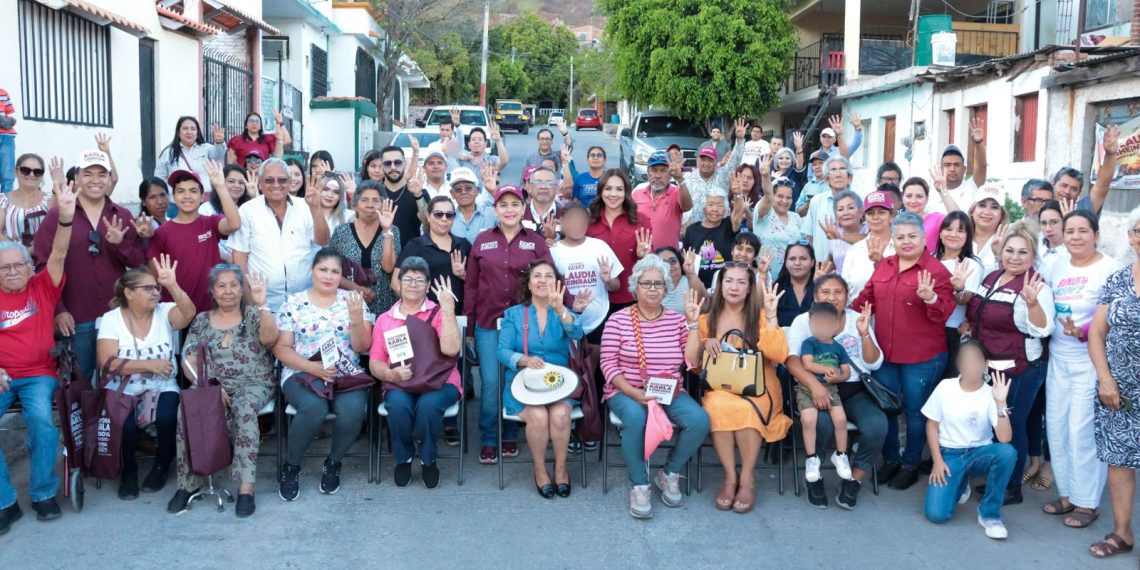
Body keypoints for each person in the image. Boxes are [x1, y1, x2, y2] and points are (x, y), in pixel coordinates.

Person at [851, 212, 954, 490]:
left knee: (915, 413)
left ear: (923, 238)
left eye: (912, 236)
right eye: (900, 237)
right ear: (892, 240)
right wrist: (837, 313)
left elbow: (944, 312)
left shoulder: (936, 271)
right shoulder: (884, 265)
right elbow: (865, 300)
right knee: (887, 409)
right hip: (885, 354)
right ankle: (891, 460)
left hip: (922, 356)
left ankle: (910, 464)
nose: (906, 242)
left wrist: (930, 298)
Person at [600, 255, 709, 519]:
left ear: (666, 288)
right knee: (636, 418)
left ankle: (668, 473)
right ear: (635, 286)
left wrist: (693, 325)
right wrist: (634, 393)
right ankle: (639, 484)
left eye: (658, 284)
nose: (652, 288)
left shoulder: (676, 320)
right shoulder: (618, 320)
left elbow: (692, 361)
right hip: (627, 390)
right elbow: (607, 364)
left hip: (668, 390)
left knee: (699, 420)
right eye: (646, 283)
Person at [167, 266, 278, 517]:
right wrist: (211, 389)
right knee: (186, 411)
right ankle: (187, 486)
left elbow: (270, 339)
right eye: (221, 286)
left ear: (242, 289)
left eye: (234, 285)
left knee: (245, 410)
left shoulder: (253, 314)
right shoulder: (202, 321)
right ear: (212, 292)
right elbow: (188, 361)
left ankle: (246, 489)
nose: (228, 291)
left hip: (254, 383)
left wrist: (263, 305)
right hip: (211, 383)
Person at [0, 168, 73, 532]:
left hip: (38, 375)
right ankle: (5, 501)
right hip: (1, 377)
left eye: (19, 265)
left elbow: (58, 254)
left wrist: (65, 216)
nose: (13, 271)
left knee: (43, 424)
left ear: (30, 268)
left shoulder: (42, 288)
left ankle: (43, 493)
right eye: (5, 268)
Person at [1040, 210, 1122, 528]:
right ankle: (1068, 494)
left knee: (1082, 432)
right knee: (1058, 429)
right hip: (1059, 360)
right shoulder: (1057, 267)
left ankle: (1087, 502)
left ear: (1096, 235)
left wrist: (1085, 333)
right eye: (1069, 230)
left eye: (1082, 231)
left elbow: (1119, 323)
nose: (1075, 236)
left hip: (1091, 362)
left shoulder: (1110, 270)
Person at [34, 150, 144, 382]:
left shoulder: (122, 214)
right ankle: (82, 419)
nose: (95, 180)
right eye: (88, 173)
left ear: (109, 179)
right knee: (78, 381)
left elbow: (137, 263)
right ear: (77, 177)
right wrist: (59, 309)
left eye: (102, 174)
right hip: (75, 314)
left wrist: (120, 244)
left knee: (116, 380)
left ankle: (110, 419)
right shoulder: (58, 215)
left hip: (115, 314)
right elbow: (43, 265)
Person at [274, 249, 374, 501]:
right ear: (312, 271)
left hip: (345, 372)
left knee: (352, 411)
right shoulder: (293, 303)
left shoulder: (353, 300)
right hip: (302, 371)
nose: (328, 276)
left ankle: (333, 463)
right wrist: (313, 368)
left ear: (342, 276)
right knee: (313, 407)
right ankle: (292, 466)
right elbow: (282, 349)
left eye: (335, 272)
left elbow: (363, 347)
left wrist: (356, 320)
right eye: (323, 270)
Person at [965, 224, 1053, 505]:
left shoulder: (1036, 286)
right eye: (1010, 251)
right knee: (997, 423)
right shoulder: (992, 277)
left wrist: (1032, 304)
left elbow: (1042, 329)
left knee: (1012, 423)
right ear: (1000, 253)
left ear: (1033, 255)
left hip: (1020, 368)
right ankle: (999, 478)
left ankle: (1011, 487)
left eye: (1023, 252)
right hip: (992, 365)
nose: (1015, 257)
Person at [465, 185, 554, 464]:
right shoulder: (481, 241)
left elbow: (550, 276)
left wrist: (569, 303)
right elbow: (470, 285)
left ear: (523, 208)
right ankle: (490, 437)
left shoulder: (535, 241)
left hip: (523, 322)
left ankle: (511, 434)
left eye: (515, 204)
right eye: (503, 205)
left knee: (516, 377)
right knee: (491, 382)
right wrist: (469, 326)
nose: (509, 209)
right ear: (495, 210)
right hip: (488, 322)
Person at [97, 257, 197, 499]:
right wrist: (149, 365)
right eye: (148, 288)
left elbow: (189, 313)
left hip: (162, 385)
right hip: (122, 388)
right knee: (125, 426)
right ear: (129, 293)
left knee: (166, 419)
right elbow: (107, 363)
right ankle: (128, 472)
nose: (155, 293)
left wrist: (172, 285)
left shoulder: (164, 312)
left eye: (156, 288)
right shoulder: (112, 319)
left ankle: (162, 465)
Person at [786, 274, 885, 509]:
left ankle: (854, 479)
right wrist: (816, 385)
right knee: (822, 423)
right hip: (816, 387)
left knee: (877, 425)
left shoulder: (857, 319)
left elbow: (874, 363)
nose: (832, 297)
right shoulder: (804, 321)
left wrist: (864, 333)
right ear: (815, 296)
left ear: (847, 297)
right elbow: (792, 361)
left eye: (838, 292)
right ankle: (815, 476)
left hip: (852, 389)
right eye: (825, 292)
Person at [696, 268, 790, 513]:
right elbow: (695, 366)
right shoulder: (708, 319)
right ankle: (729, 477)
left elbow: (779, 356)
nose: (734, 287)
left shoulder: (759, 316)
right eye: (728, 281)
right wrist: (706, 343)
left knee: (747, 412)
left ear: (750, 288)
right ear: (720, 286)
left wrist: (771, 317)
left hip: (759, 385)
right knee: (717, 406)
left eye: (740, 282)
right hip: (722, 386)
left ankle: (747, 477)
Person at [370, 257, 461, 489]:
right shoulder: (384, 320)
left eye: (419, 280)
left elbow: (451, 349)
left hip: (440, 381)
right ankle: (405, 457)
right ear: (398, 284)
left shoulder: (439, 312)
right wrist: (391, 375)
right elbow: (376, 362)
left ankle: (428, 458)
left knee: (428, 407)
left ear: (428, 286)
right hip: (400, 381)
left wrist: (448, 309)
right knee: (398, 406)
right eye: (407, 279)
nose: (412, 284)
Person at [497, 261, 584, 498]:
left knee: (559, 414)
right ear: (529, 282)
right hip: (523, 382)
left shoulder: (562, 311)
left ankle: (561, 467)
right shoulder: (514, 314)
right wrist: (523, 359)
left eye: (548, 276)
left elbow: (578, 333)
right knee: (537, 416)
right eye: (537, 276)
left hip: (560, 383)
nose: (542, 280)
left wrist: (561, 310)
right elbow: (502, 351)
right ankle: (539, 469)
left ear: (556, 283)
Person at [923, 341, 1016, 540]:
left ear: (986, 364)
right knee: (937, 515)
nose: (971, 365)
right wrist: (937, 461)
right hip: (950, 454)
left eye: (976, 360)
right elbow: (932, 425)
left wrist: (1001, 403)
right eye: (965, 360)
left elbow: (1005, 438)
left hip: (979, 453)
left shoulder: (991, 393)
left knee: (1007, 453)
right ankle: (960, 481)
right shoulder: (945, 387)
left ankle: (989, 515)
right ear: (959, 364)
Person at [1088, 207, 1140, 558]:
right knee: (1119, 461)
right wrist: (1106, 380)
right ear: (1131, 236)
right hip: (1119, 391)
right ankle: (1122, 534)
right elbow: (1097, 332)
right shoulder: (1119, 280)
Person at [229, 158, 329, 311]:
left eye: (282, 180)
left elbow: (323, 240)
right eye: (269, 180)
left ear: (289, 182)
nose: (276, 185)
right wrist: (250, 302)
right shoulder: (247, 211)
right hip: (264, 304)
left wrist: (316, 208)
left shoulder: (305, 206)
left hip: (303, 302)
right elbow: (239, 258)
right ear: (260, 184)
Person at [146, 165, 241, 314]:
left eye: (193, 191)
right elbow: (155, 276)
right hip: (178, 311)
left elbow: (234, 223)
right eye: (181, 191)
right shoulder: (162, 233)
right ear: (174, 197)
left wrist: (221, 186)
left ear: (203, 197)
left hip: (211, 310)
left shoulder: (211, 223)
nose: (187, 196)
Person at [797, 302, 854, 503]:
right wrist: (828, 370)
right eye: (817, 324)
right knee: (809, 419)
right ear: (811, 324)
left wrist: (838, 376)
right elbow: (807, 363)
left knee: (840, 420)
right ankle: (812, 458)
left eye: (826, 324)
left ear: (836, 326)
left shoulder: (839, 348)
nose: (821, 328)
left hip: (831, 389)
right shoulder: (809, 343)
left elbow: (846, 371)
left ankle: (840, 454)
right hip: (807, 388)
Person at [587, 169, 653, 320]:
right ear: (601, 191)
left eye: (619, 189)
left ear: (626, 192)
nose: (613, 194)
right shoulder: (590, 221)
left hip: (631, 297)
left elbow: (651, 261)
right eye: (608, 188)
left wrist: (644, 255)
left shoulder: (640, 220)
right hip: (597, 298)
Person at [551, 203, 621, 343]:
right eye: (572, 220)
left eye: (581, 220)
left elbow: (616, 286)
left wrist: (608, 280)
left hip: (599, 321)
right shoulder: (552, 251)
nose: (577, 224)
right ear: (562, 222)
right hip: (565, 322)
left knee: (595, 363)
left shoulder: (599, 246)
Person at [328, 181, 399, 316]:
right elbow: (332, 269)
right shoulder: (341, 232)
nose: (370, 205)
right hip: (348, 304)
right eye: (364, 200)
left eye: (376, 201)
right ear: (355, 205)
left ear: (382, 205)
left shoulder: (393, 230)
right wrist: (357, 289)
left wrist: (387, 230)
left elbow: (389, 268)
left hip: (385, 307)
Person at [932, 211, 983, 378]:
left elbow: (965, 300)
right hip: (927, 328)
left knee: (947, 380)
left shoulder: (971, 264)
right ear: (940, 233)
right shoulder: (930, 259)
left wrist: (958, 288)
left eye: (960, 231)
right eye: (948, 229)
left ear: (968, 236)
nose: (953, 234)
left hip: (953, 331)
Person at [681, 118, 747, 224]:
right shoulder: (687, 178)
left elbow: (735, 160)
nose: (706, 163)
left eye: (710, 160)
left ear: (716, 161)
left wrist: (739, 140)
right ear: (698, 160)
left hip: (719, 230)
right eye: (703, 160)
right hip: (693, 231)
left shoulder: (723, 175)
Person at [681, 189, 745, 289]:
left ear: (725, 210)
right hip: (698, 286)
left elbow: (737, 212)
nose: (715, 209)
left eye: (720, 206)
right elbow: (685, 257)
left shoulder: (729, 225)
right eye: (710, 204)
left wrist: (737, 195)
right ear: (704, 208)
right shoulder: (691, 230)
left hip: (725, 287)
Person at [367, 146, 428, 249]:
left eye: (397, 162)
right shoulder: (372, 193)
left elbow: (428, 223)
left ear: (404, 163)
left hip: (411, 255)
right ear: (381, 166)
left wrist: (418, 196)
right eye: (387, 163)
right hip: (379, 255)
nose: (393, 167)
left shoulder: (419, 192)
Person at [1052, 125, 1119, 218]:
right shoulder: (1040, 206)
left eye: (1074, 189)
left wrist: (1110, 154)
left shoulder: (1083, 210)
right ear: (1053, 184)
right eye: (1063, 185)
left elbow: (1102, 186)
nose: (1067, 192)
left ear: (1079, 193)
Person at [842, 190, 898, 299]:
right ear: (865, 217)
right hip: (858, 314)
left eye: (881, 212)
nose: (875, 217)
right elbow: (845, 290)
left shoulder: (901, 249)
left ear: (891, 215)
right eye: (870, 213)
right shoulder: (853, 252)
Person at [632, 151, 693, 251]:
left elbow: (687, 206)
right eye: (654, 170)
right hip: (641, 258)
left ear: (670, 174)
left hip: (668, 260)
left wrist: (680, 179)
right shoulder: (637, 193)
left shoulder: (676, 192)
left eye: (663, 170)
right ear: (648, 173)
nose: (657, 175)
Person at [154, 117, 226, 195]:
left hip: (203, 198)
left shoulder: (206, 148)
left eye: (193, 129)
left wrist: (219, 142)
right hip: (177, 201)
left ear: (197, 132)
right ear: (178, 132)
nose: (189, 132)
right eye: (185, 128)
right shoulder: (168, 152)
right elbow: (159, 177)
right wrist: (171, 192)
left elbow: (218, 153)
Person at [804, 155, 856, 261]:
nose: (838, 174)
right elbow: (809, 237)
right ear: (827, 180)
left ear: (850, 179)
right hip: (821, 266)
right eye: (833, 170)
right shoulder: (816, 201)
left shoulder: (860, 202)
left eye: (842, 169)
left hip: (849, 267)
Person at [928, 119, 986, 212]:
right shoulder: (930, 195)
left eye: (957, 165)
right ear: (941, 168)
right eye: (947, 165)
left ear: (964, 169)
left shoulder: (972, 186)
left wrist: (978, 143)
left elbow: (981, 166)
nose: (952, 169)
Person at [754, 177, 805, 281]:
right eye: (780, 196)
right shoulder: (764, 214)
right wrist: (765, 174)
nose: (784, 201)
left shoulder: (796, 218)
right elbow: (767, 196)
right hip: (766, 278)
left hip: (792, 279)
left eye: (788, 197)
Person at [1, 153, 52, 245]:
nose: (31, 175)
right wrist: (21, 251)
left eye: (37, 172)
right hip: (10, 256)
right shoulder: (3, 200)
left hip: (43, 256)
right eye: (25, 170)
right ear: (16, 171)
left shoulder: (51, 199)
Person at [773, 242, 821, 327]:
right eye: (792, 259)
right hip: (782, 339)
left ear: (812, 262)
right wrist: (762, 276)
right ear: (786, 263)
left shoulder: (821, 286)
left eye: (803, 258)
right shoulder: (776, 289)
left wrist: (821, 287)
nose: (797, 263)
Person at [967, 184, 1009, 275]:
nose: (987, 212)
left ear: (1002, 214)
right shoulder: (960, 238)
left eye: (994, 207)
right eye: (982, 205)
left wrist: (1000, 255)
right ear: (972, 210)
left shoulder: (1008, 242)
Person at [451, 166, 497, 242]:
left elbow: (514, 220)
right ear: (452, 194)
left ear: (477, 190)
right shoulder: (447, 219)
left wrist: (493, 191)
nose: (463, 192)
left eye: (468, 188)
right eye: (458, 189)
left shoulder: (492, 213)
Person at [656, 246, 703, 315]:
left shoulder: (690, 280)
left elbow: (705, 306)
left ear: (680, 262)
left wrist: (691, 273)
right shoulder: (652, 284)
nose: (669, 265)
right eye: (663, 263)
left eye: (673, 261)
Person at [1037, 200, 1069, 272]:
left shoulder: (1074, 249)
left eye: (1054, 222)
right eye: (1043, 223)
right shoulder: (1034, 244)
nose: (1048, 229)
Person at [0, 88, 16, 193]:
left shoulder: (3, 93)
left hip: (6, 136)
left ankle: (4, 206)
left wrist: (10, 121)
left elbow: (8, 115)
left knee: (7, 175)